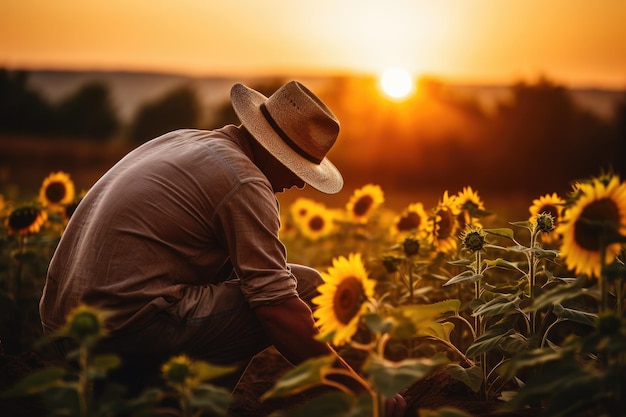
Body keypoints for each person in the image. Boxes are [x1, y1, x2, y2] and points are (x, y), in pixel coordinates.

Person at [39, 81, 405, 415]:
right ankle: (192, 407)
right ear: (274, 152)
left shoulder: (184, 140)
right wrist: (362, 393)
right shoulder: (244, 181)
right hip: (117, 334)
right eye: (298, 168)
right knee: (307, 290)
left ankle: (160, 392)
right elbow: (278, 311)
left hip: (61, 327)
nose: (298, 182)